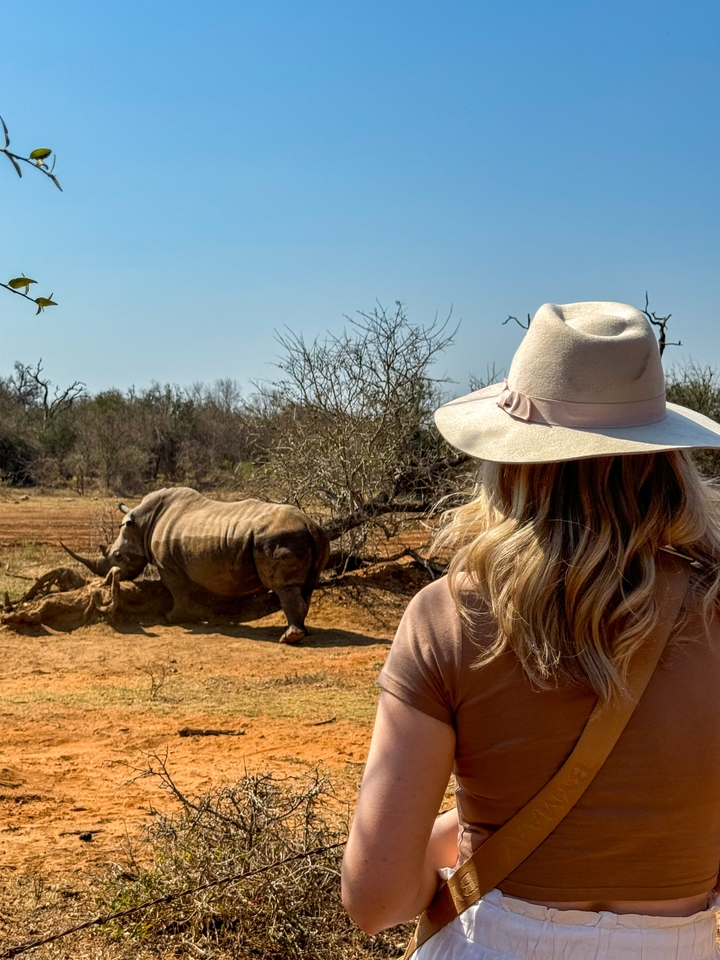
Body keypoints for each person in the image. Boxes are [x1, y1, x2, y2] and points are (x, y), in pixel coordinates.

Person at [341, 301, 720, 960]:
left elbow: (376, 901)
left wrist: (459, 851)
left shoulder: (447, 617)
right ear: (668, 457)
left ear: (510, 459)